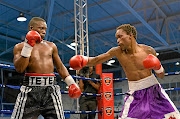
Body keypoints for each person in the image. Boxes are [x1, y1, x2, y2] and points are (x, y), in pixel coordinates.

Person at [69, 24, 180, 119]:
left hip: (154, 90)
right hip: (135, 92)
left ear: (130, 35)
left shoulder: (148, 50)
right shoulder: (117, 52)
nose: (118, 41)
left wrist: (158, 67)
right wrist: (83, 60)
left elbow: (161, 75)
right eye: (117, 38)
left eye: (120, 37)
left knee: (174, 116)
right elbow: (97, 59)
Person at [12, 17, 81, 119]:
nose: (44, 31)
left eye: (45, 29)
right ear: (31, 28)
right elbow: (19, 68)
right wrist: (28, 46)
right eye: (41, 28)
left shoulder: (51, 46)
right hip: (30, 90)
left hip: (51, 90)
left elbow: (60, 67)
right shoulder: (20, 47)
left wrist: (71, 83)